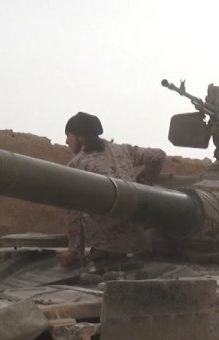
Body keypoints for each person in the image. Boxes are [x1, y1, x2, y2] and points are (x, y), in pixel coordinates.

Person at [58, 112, 166, 268]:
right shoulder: (125, 151)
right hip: (136, 239)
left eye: (68, 135)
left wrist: (73, 251)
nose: (66, 141)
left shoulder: (78, 164)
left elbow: (74, 212)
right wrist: (144, 181)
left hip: (104, 244)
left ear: (80, 137)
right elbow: (159, 156)